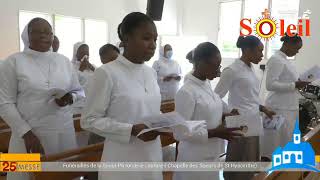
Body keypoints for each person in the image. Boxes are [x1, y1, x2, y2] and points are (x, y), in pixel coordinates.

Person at [81, 12, 163, 180]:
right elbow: (89, 120)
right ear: (126, 39)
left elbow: (150, 110)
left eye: (155, 39)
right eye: (146, 38)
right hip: (122, 160)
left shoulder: (151, 73)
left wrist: (166, 123)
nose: (153, 44)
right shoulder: (107, 73)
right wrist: (131, 130)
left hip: (152, 155)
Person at [0, 18, 84, 180]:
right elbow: (5, 102)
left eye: (48, 32)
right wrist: (26, 134)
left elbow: (80, 91)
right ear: (27, 35)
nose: (44, 35)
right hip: (29, 134)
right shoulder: (14, 61)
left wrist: (69, 98)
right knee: (26, 175)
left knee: (62, 175)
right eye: (38, 32)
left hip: (63, 131)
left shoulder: (63, 61)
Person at [173, 42, 242, 180]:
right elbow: (179, 132)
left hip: (211, 155)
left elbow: (209, 109)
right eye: (216, 66)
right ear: (200, 63)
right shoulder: (186, 92)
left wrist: (227, 115)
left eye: (219, 66)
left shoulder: (206, 85)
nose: (219, 72)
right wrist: (215, 132)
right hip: (194, 159)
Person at [214, 35, 275, 180]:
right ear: (247, 50)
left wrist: (263, 108)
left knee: (250, 160)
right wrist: (228, 112)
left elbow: (250, 97)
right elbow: (216, 96)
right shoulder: (232, 70)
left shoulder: (252, 70)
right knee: (238, 160)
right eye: (259, 51)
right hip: (239, 121)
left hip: (253, 119)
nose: (262, 55)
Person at [261, 33, 308, 158]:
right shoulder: (275, 59)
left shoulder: (285, 60)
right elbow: (270, 85)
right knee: (274, 145)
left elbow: (289, 82)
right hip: (278, 108)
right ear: (287, 44)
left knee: (286, 142)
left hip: (289, 107)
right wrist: (294, 85)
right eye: (296, 48)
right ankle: (269, 173)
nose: (297, 52)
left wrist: (298, 84)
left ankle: (283, 171)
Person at [71, 42, 95, 114]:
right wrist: (81, 70)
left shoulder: (92, 66)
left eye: (87, 52)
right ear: (76, 53)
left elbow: (101, 78)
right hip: (77, 106)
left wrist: (92, 68)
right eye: (82, 52)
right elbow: (71, 83)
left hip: (91, 104)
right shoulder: (70, 66)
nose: (85, 54)